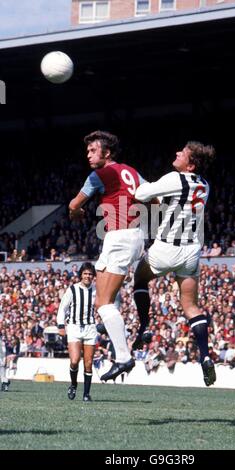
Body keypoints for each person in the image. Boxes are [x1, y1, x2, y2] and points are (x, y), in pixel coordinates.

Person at [68, 130, 156, 382]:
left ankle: (123, 357)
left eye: (93, 150)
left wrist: (76, 214)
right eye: (87, 151)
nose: (88, 154)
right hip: (133, 235)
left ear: (106, 153)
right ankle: (110, 327)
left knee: (103, 303)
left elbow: (74, 205)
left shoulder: (99, 175)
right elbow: (152, 196)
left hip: (120, 236)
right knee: (104, 299)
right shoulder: (132, 172)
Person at [133, 140, 217, 386]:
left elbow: (140, 194)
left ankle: (145, 326)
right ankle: (204, 355)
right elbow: (175, 205)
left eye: (183, 152)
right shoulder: (204, 184)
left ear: (190, 164)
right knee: (191, 306)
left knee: (140, 277)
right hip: (191, 251)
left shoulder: (174, 178)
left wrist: (144, 185)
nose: (177, 152)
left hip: (167, 246)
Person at [56, 262, 97, 402]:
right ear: (81, 275)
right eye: (85, 273)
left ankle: (86, 394)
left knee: (88, 363)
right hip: (74, 327)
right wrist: (61, 326)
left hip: (90, 328)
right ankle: (73, 385)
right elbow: (62, 308)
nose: (88, 276)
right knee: (74, 361)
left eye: (90, 274)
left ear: (93, 276)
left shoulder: (97, 290)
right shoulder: (72, 289)